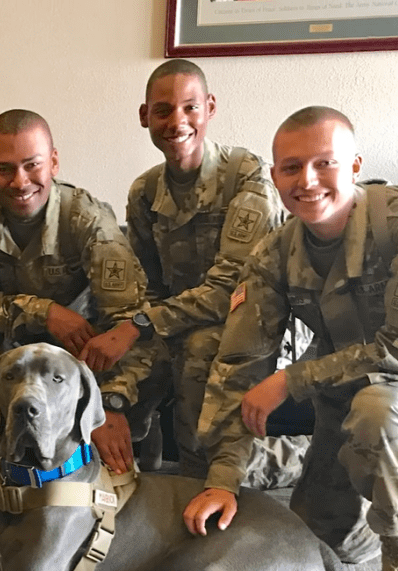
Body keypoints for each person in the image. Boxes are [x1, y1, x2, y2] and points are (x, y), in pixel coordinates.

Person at [182, 106, 398, 571]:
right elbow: (239, 365)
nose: (307, 179)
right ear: (275, 176)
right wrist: (222, 480)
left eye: (324, 163)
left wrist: (290, 380)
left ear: (356, 166)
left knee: (380, 414)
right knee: (323, 534)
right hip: (344, 387)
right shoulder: (275, 252)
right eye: (291, 167)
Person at [0, 109, 169, 499]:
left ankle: (142, 424)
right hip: (10, 340)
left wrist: (107, 403)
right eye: (3, 169)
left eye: (32, 165)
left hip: (79, 348)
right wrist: (44, 310)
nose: (19, 182)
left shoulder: (89, 220)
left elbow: (127, 324)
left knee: (154, 351)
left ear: (54, 162)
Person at [126, 59, 309, 485]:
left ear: (209, 108)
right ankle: (138, 444)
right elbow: (146, 286)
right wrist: (133, 331)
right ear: (144, 116)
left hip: (259, 321)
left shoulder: (245, 174)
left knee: (196, 345)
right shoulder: (144, 191)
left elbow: (231, 285)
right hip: (180, 318)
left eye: (190, 107)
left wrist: (142, 325)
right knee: (114, 344)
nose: (177, 121)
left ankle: (204, 470)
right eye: (163, 110)